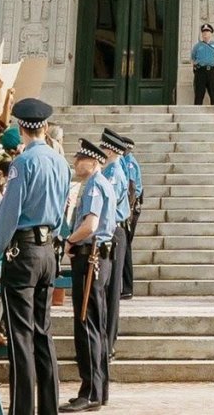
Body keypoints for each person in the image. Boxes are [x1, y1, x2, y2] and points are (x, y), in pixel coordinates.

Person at [0, 99, 71, 415]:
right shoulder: (61, 162)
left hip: (24, 250)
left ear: (21, 128)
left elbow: (7, 216)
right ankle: (48, 408)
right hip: (48, 250)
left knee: (21, 338)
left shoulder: (22, 164)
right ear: (44, 127)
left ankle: (22, 411)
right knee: (43, 333)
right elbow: (61, 213)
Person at [58, 139, 117, 412]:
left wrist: (69, 241)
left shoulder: (94, 185)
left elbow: (90, 225)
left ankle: (90, 391)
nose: (75, 161)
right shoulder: (100, 183)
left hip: (91, 258)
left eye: (80, 158)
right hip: (99, 257)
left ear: (92, 161)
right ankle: (98, 388)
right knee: (96, 323)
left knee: (87, 323)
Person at [98, 129, 132, 360]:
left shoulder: (112, 172)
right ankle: (108, 340)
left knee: (110, 291)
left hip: (113, 231)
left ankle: (108, 342)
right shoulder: (112, 169)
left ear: (109, 149)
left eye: (102, 148)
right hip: (116, 230)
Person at [118, 135, 142, 299]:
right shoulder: (125, 161)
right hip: (129, 208)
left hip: (130, 209)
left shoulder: (129, 162)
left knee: (125, 248)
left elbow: (132, 188)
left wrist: (128, 212)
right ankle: (124, 286)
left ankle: (127, 287)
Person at [191, 23, 214, 105]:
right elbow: (193, 57)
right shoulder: (197, 46)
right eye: (203, 32)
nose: (205, 33)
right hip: (201, 72)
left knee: (213, 95)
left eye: (207, 31)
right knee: (199, 95)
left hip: (212, 72)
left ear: (211, 33)